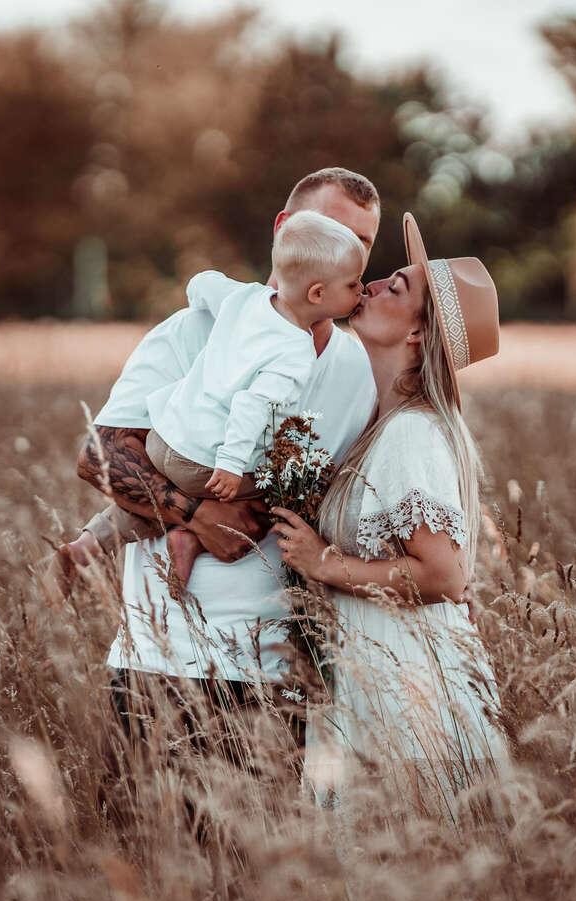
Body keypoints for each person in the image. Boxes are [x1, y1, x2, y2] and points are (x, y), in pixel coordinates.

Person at [50, 167, 381, 769]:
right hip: (163, 659)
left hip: (281, 667)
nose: (349, 256)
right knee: (145, 853)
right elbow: (99, 455)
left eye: (363, 245)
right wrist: (196, 516)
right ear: (286, 231)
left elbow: (332, 497)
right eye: (333, 232)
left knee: (266, 861)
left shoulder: (358, 368)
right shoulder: (199, 329)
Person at [268, 213, 506, 819]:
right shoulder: (376, 426)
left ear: (420, 335)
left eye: (395, 287)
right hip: (372, 680)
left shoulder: (410, 435)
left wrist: (326, 563)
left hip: (409, 692)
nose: (371, 285)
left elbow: (445, 578)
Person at [78, 211, 365, 587]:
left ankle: (89, 542)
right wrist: (231, 464)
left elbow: (204, 282)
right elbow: (253, 406)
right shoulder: (296, 351)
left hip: (166, 437)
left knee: (174, 491)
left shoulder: (245, 297)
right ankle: (190, 539)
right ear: (317, 293)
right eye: (354, 284)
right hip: (206, 459)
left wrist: (195, 293)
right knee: (277, 487)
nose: (362, 289)